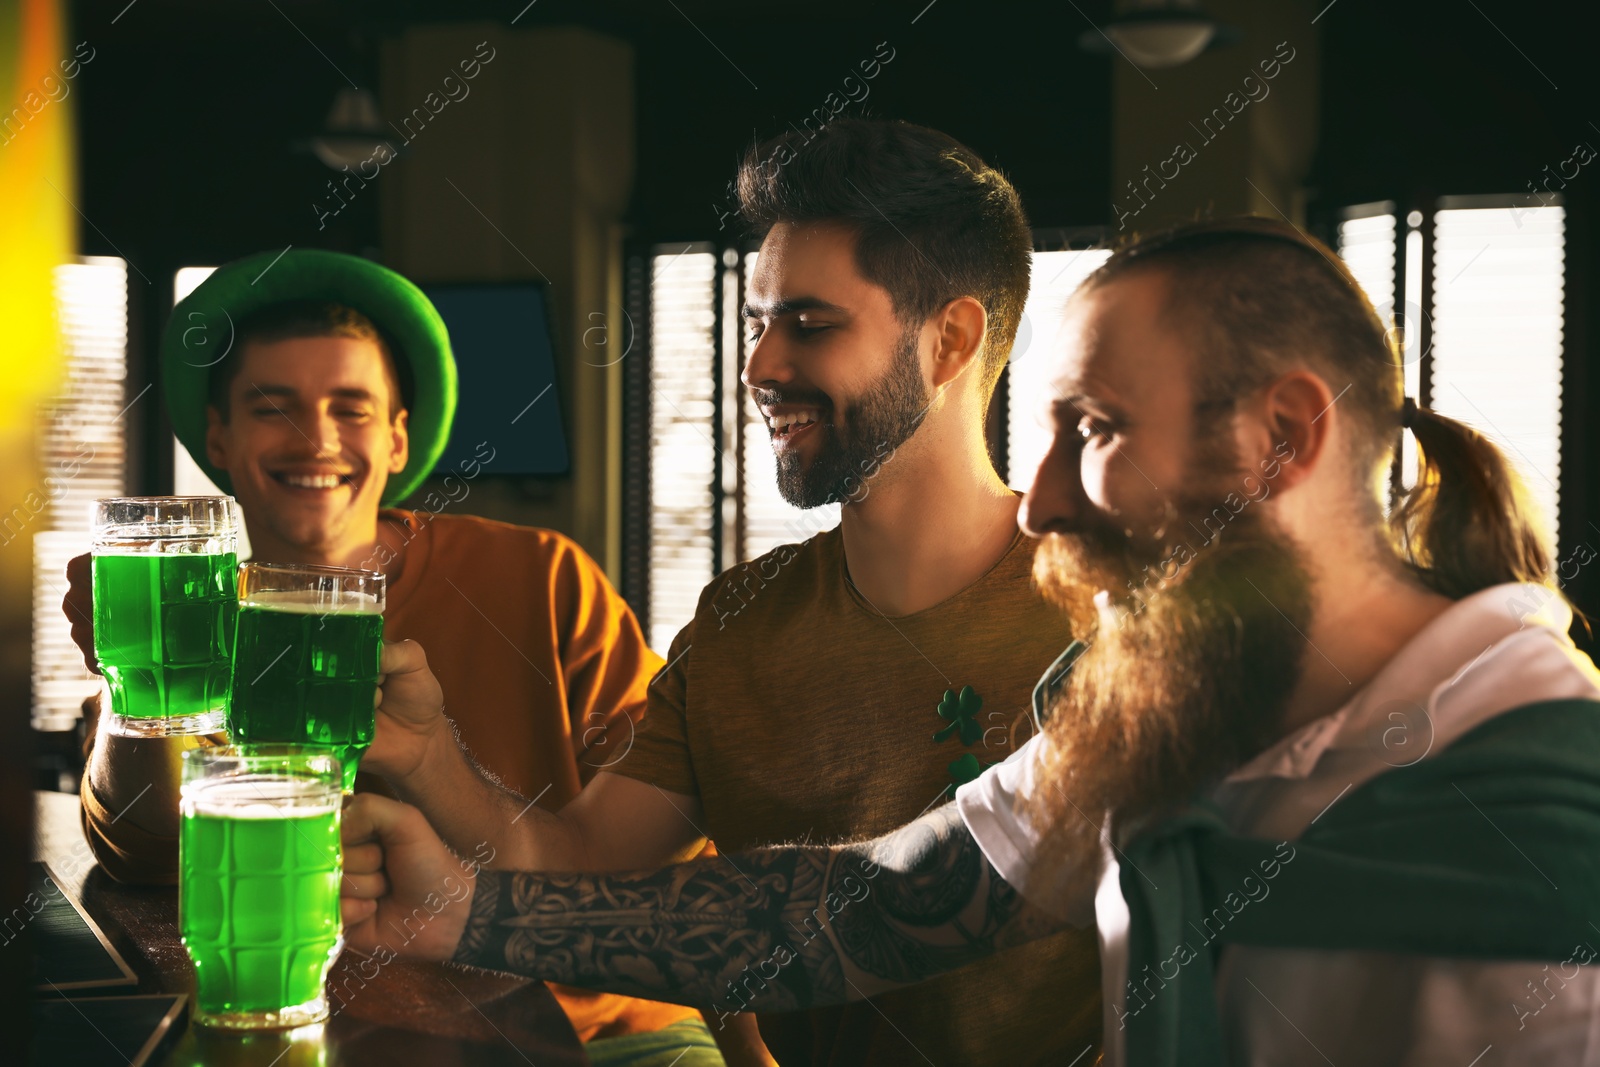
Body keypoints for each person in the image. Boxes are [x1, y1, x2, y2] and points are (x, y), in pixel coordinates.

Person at [338, 217, 1600, 1066]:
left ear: (1281, 435)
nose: (1040, 499)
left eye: (1093, 428)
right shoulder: (1159, 722)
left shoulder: (1550, 822)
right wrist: (467, 915)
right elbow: (868, 909)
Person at [364, 118, 1104, 1065]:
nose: (759, 366)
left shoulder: (1099, 615)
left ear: (951, 339)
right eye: (758, 323)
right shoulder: (739, 623)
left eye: (810, 323)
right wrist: (432, 759)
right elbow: (578, 870)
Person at [62, 250, 724, 1061]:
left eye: (352, 407)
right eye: (274, 407)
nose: (316, 438)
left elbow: (662, 845)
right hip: (308, 1024)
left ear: (400, 439)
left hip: (596, 1032)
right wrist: (130, 687)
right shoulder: (184, 609)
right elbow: (140, 852)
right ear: (219, 438)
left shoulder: (544, 577)